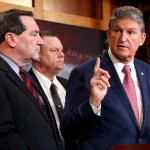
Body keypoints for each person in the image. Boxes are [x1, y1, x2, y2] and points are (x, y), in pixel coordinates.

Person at [60, 6, 150, 150]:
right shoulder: (85, 72)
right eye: (117, 31)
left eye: (131, 32)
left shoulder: (148, 72)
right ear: (108, 34)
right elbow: (68, 129)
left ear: (142, 38)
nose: (123, 38)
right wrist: (93, 103)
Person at [0, 9, 61, 150]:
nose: (40, 41)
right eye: (34, 34)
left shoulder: (26, 76)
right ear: (11, 39)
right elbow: (4, 136)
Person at [29, 31, 68, 149]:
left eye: (62, 50)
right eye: (54, 50)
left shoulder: (69, 85)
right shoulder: (23, 85)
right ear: (37, 54)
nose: (62, 54)